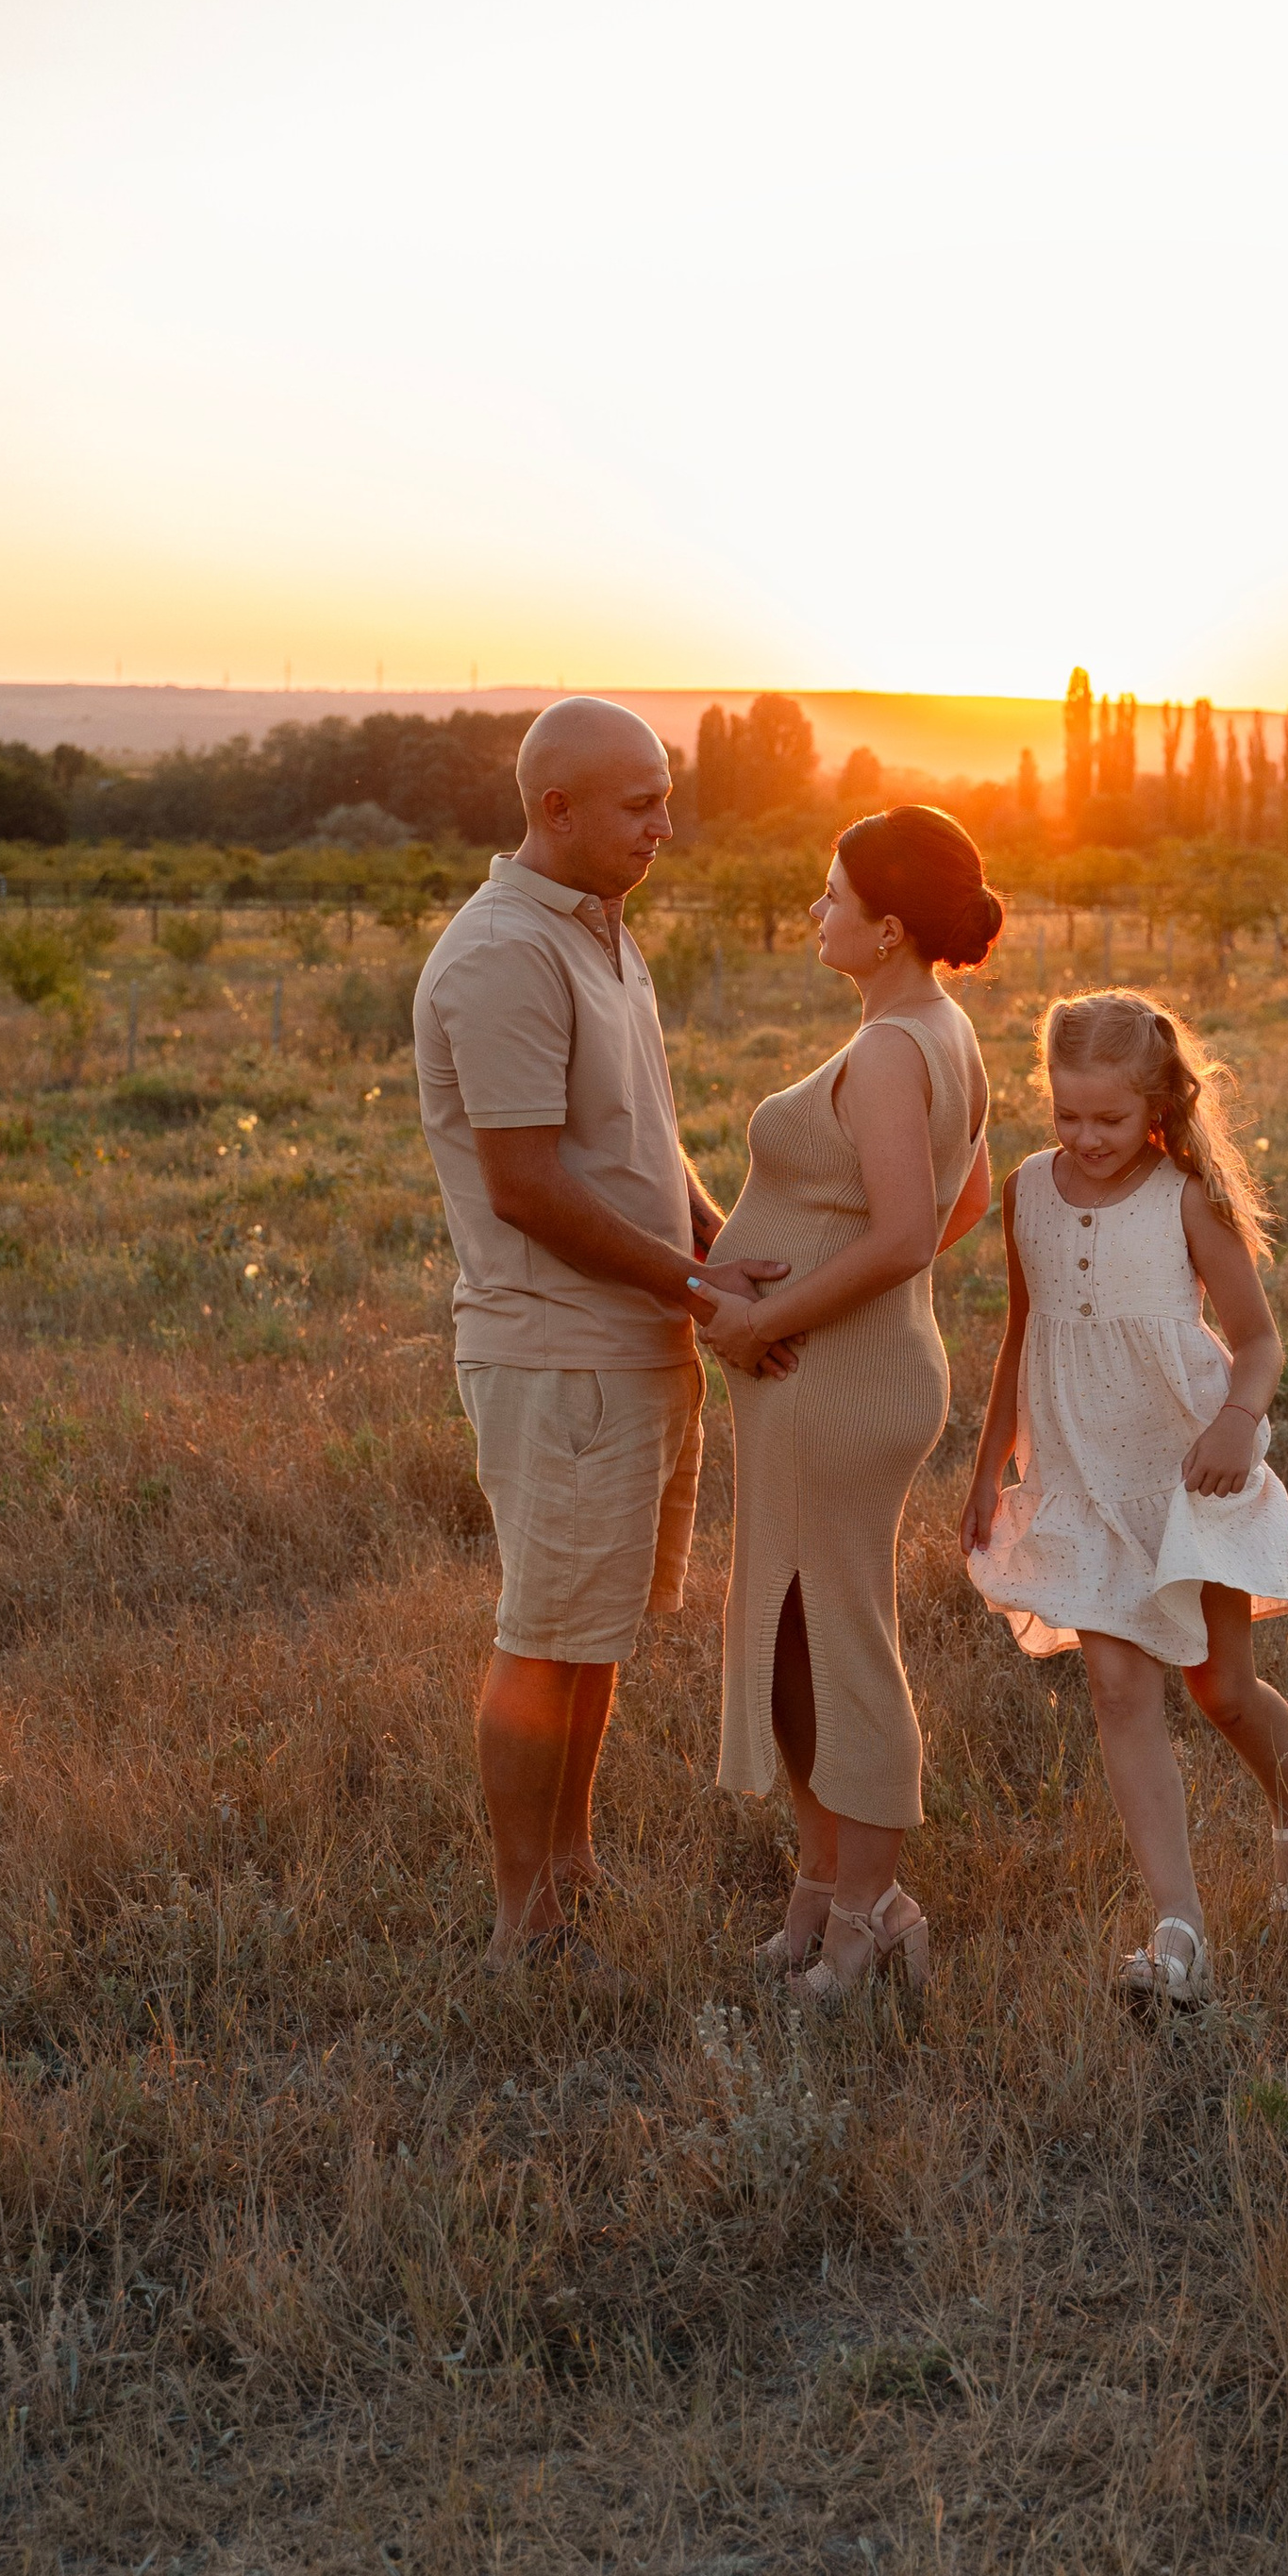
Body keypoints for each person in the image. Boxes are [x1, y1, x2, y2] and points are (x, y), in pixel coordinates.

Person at [413, 698, 791, 1969]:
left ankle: (575, 1863)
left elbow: (643, 1141)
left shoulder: (604, 934)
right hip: (560, 1349)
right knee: (545, 1631)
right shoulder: (505, 952)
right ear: (553, 807)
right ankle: (524, 1916)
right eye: (639, 804)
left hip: (636, 1340)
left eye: (666, 798)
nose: (664, 827)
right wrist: (698, 1292)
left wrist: (713, 1247)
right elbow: (526, 1183)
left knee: (599, 1630)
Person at [960, 990, 1288, 2009]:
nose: (1085, 1137)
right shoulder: (1028, 1188)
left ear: (1154, 1101)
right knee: (1118, 1689)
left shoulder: (1186, 1198)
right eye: (1066, 1114)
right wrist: (991, 1466)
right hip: (1079, 1473)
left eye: (1108, 1119)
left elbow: (1258, 1341)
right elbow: (1020, 1335)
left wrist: (1237, 1421)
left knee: (1220, 1690)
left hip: (1187, 1472)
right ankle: (1179, 1933)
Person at [701, 807, 996, 2008]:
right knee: (792, 1635)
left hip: (835, 1381)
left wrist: (774, 1315)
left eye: (830, 897)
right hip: (843, 1372)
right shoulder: (934, 1028)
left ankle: (870, 1916)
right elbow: (960, 1197)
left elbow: (906, 1233)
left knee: (841, 1639)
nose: (813, 911)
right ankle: (821, 1891)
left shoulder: (890, 1048)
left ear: (885, 927)